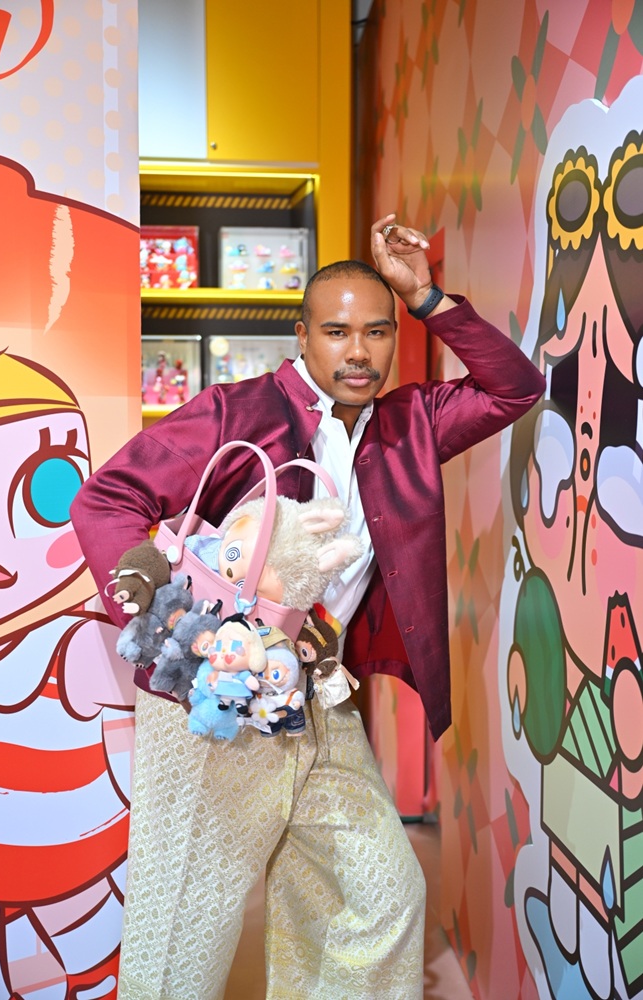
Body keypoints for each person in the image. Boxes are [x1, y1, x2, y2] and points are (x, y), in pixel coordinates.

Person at [70, 214, 545, 999]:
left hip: (318, 699)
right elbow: (107, 499)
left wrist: (427, 297)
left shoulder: (410, 424)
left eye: (377, 332)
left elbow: (514, 387)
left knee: (381, 895)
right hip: (214, 705)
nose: (358, 352)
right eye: (335, 331)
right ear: (301, 336)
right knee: (185, 926)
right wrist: (170, 629)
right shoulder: (236, 411)